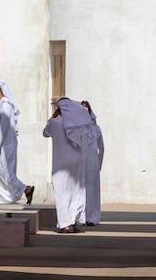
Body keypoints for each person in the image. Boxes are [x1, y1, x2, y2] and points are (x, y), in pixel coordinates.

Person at [43, 97, 92, 233]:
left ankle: (65, 224)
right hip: (76, 160)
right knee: (76, 190)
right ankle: (75, 220)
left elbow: (45, 133)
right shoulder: (76, 123)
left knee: (61, 192)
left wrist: (52, 118)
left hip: (60, 164)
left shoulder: (54, 122)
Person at [0, 79, 34, 205]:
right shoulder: (1, 104)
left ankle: (24, 189)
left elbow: (4, 126)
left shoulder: (6, 105)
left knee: (4, 172)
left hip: (5, 145)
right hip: (4, 144)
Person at [81, 100, 104, 226]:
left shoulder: (96, 129)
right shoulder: (77, 129)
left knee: (92, 189)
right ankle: (81, 215)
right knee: (81, 189)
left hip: (92, 163)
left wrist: (99, 163)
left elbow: (102, 147)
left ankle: (92, 216)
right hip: (81, 162)